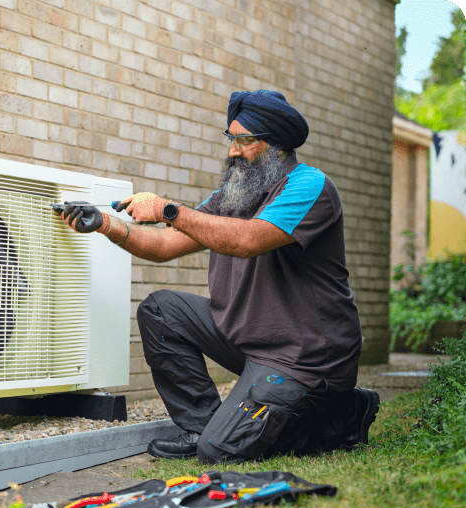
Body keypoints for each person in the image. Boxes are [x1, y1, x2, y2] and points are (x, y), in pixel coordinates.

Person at [58, 89, 380, 464]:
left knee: (220, 451)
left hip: (304, 358)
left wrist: (167, 209)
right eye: (231, 139)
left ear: (276, 145)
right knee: (162, 310)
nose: (233, 151)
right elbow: (163, 248)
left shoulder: (309, 187)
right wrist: (106, 225)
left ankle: (341, 416)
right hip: (251, 340)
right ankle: (201, 424)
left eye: (245, 141)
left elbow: (246, 240)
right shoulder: (233, 194)